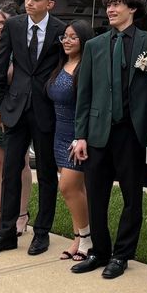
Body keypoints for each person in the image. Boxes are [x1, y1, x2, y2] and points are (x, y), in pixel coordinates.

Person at [71, 0, 147, 279]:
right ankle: (99, 252)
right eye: (109, 4)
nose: (110, 9)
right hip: (98, 132)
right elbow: (84, 93)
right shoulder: (95, 45)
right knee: (96, 195)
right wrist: (80, 135)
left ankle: (122, 255)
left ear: (132, 8)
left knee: (132, 197)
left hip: (131, 132)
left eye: (117, 3)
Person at [0, 0, 65, 257]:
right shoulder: (14, 26)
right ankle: (6, 233)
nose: (29, 3)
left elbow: (63, 68)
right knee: (10, 171)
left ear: (49, 3)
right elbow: (0, 67)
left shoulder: (60, 30)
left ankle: (41, 233)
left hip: (46, 110)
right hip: (14, 109)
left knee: (47, 174)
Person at [0, 2, 32, 238]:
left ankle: (21, 214)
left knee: (20, 163)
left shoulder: (20, 47)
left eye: (3, 23)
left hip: (14, 111)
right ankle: (1, 213)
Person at [47, 20, 94, 262]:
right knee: (75, 191)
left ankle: (87, 238)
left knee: (67, 187)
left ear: (84, 40)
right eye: (64, 36)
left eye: (73, 37)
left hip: (77, 136)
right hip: (59, 134)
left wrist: (80, 136)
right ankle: (78, 238)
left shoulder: (86, 68)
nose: (67, 41)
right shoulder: (61, 64)